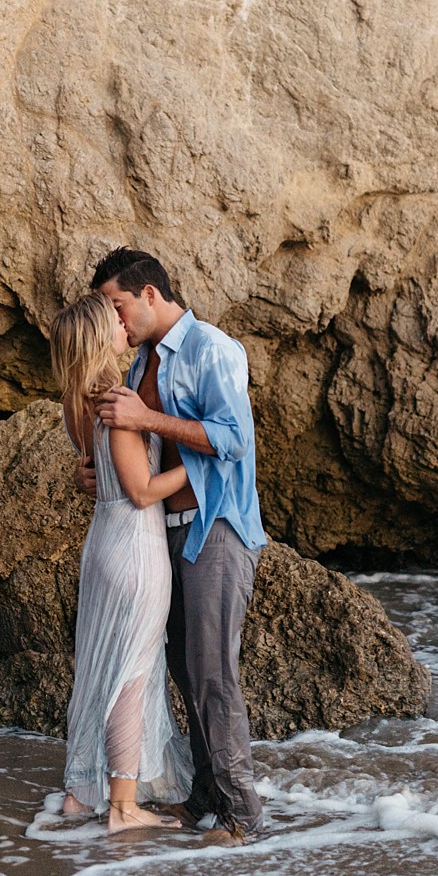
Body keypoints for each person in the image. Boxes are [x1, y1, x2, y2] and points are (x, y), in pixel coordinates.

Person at [85, 246, 269, 843]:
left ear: (149, 295)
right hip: (161, 534)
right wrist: (100, 472)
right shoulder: (140, 367)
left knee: (214, 672)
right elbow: (141, 452)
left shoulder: (212, 348)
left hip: (216, 528)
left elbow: (234, 439)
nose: (116, 321)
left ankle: (242, 815)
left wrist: (146, 420)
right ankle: (206, 794)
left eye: (118, 306)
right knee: (185, 673)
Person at [49, 290, 192, 832]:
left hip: (101, 544)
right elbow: (141, 490)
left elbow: (98, 475)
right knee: (131, 675)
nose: (123, 323)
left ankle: (79, 794)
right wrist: (202, 472)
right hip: (135, 546)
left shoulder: (74, 403)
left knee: (99, 668)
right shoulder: (116, 401)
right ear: (98, 336)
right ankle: (124, 807)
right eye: (113, 319)